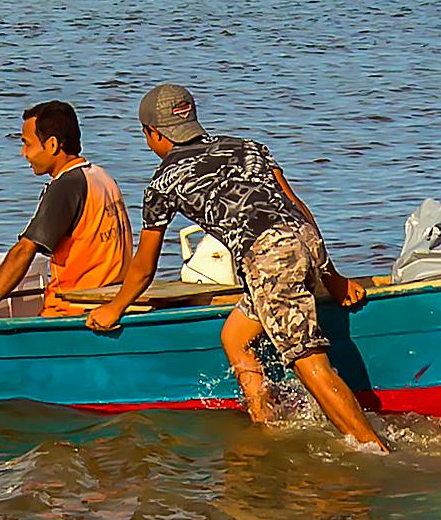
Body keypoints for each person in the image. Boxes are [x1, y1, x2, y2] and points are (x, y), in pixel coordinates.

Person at [92, 81, 388, 452]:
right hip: (304, 241)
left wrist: (115, 308)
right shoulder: (248, 148)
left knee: (310, 363)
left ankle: (374, 450)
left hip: (268, 259)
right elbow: (296, 206)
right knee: (235, 337)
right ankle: (268, 424)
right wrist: (332, 277)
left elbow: (144, 266)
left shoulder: (163, 183)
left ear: (152, 134)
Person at [0, 98, 141, 328]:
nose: (24, 153)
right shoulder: (102, 177)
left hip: (72, 310)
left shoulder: (66, 186)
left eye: (27, 144)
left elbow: (24, 251)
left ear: (52, 145)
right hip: (110, 299)